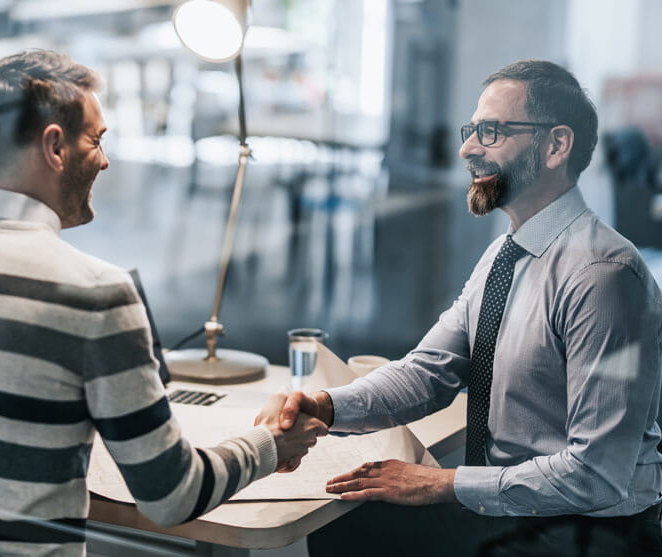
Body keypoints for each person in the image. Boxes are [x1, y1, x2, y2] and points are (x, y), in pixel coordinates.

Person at [0, 49, 327, 556]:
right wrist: (270, 444)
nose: (104, 160)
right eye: (96, 140)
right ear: (55, 146)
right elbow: (171, 496)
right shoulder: (96, 293)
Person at [282, 59, 662, 556]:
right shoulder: (505, 254)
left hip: (587, 532)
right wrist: (326, 407)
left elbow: (596, 475)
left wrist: (440, 483)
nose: (467, 149)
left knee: (355, 527)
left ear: (556, 146)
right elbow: (427, 372)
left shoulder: (603, 275)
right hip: (515, 514)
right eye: (471, 131)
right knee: (349, 514)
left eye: (491, 132)